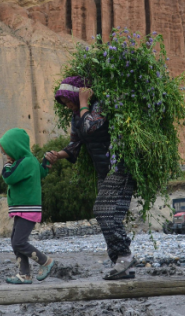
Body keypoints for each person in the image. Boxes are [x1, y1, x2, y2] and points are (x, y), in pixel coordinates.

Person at [45, 76, 137, 280]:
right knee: (110, 215)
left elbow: (91, 127)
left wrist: (85, 101)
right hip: (103, 171)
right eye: (65, 103)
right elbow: (75, 146)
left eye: (69, 100)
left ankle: (125, 256)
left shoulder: (100, 106)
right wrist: (58, 155)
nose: (68, 106)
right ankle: (123, 264)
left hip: (120, 167)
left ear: (78, 94)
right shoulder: (77, 116)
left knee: (102, 211)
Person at [0, 128, 56, 284]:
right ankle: (24, 274)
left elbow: (9, 178)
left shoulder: (25, 162)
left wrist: (6, 166)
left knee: (19, 242)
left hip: (27, 209)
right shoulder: (28, 161)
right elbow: (41, 172)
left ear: (15, 147)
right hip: (22, 209)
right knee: (15, 240)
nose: (7, 155)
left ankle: (46, 262)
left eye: (7, 151)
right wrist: (45, 163)